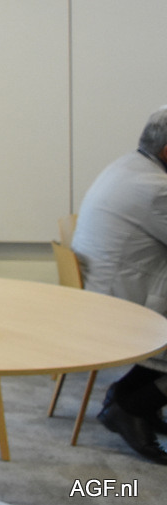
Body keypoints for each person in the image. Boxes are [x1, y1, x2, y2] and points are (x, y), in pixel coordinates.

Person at [71, 105, 167, 465]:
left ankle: (128, 397)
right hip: (122, 306)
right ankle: (131, 407)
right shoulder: (156, 188)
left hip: (110, 292)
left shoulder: (129, 166)